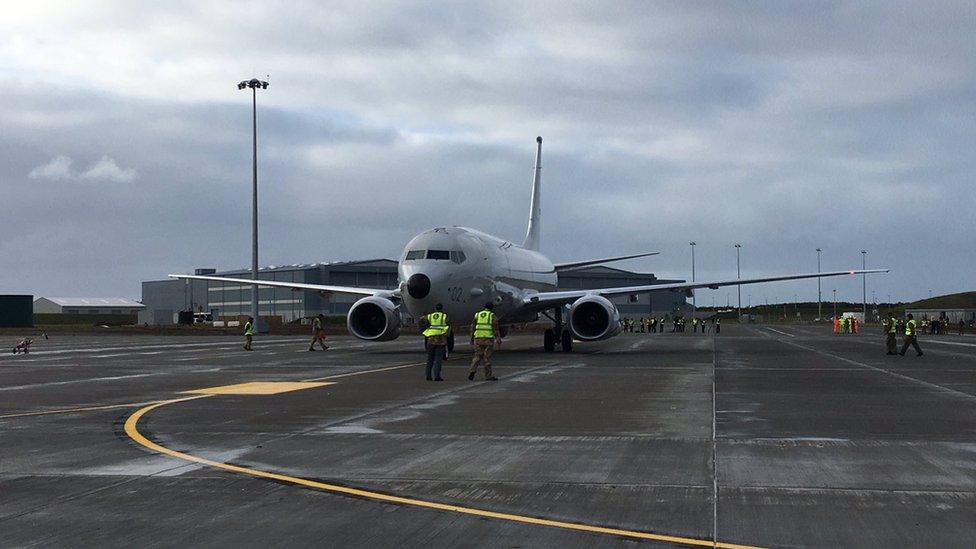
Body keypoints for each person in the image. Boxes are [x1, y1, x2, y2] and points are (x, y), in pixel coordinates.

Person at [469, 302, 499, 381]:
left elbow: (473, 326)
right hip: (488, 339)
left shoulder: (477, 315)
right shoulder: (492, 316)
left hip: (478, 338)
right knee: (487, 358)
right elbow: (495, 329)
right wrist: (498, 338)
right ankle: (488, 375)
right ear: (492, 308)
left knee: (477, 356)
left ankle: (472, 371)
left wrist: (472, 337)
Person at [421, 304, 450, 381]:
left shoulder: (430, 316)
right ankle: (437, 376)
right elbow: (448, 326)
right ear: (442, 309)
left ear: (435, 309)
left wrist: (424, 330)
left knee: (430, 359)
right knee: (438, 359)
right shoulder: (444, 316)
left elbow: (422, 321)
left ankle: (428, 376)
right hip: (440, 340)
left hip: (431, 340)